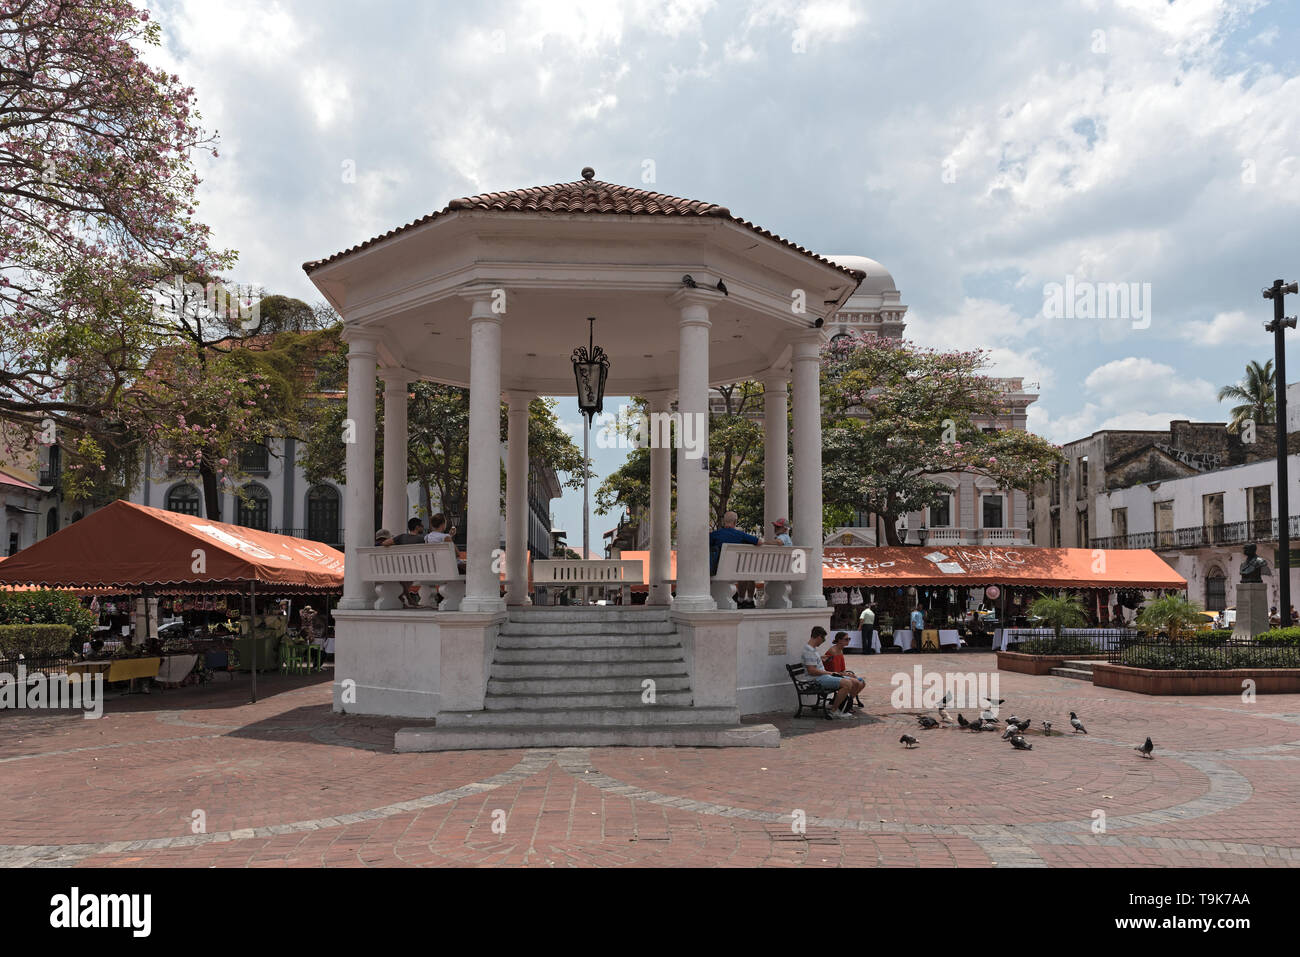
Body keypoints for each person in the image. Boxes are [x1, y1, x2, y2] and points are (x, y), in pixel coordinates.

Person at [800, 626, 858, 718]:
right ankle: (834, 710)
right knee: (847, 683)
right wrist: (829, 673)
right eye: (823, 638)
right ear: (819, 637)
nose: (823, 641)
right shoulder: (809, 651)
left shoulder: (812, 649)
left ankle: (842, 707)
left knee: (853, 682)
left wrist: (822, 658)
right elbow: (811, 671)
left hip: (821, 677)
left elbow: (814, 664)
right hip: (816, 680)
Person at [709, 510, 760, 606]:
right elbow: (759, 542)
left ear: (724, 521)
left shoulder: (716, 534)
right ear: (735, 522)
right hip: (736, 570)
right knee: (746, 569)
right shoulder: (740, 535)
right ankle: (745, 600)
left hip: (717, 570)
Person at [822, 631, 865, 711]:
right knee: (855, 682)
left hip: (839, 674)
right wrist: (847, 675)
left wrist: (847, 674)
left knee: (862, 682)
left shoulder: (840, 651)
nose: (848, 641)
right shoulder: (833, 652)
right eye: (846, 639)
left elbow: (842, 669)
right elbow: (834, 671)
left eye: (849, 639)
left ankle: (847, 702)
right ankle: (846, 704)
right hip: (832, 675)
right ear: (839, 640)